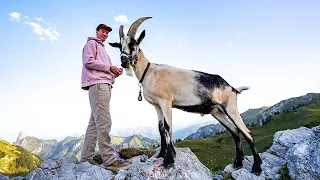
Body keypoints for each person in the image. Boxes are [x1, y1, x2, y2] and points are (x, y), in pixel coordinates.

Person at [80, 23, 131, 171]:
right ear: (97, 32)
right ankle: (109, 161)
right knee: (104, 121)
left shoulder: (102, 49)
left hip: (103, 85)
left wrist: (114, 72)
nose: (105, 34)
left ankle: (86, 159)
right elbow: (88, 62)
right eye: (102, 32)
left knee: (94, 124)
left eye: (107, 33)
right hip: (98, 86)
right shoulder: (91, 43)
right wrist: (109, 68)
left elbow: (102, 67)